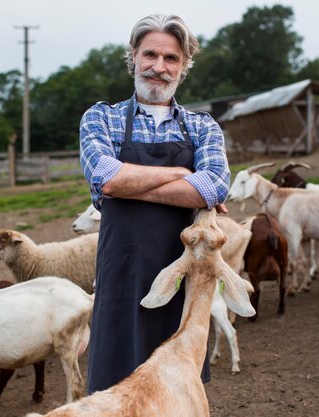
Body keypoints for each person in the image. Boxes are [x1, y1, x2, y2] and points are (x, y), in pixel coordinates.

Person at [79, 13, 231, 393]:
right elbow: (106, 178)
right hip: (122, 279)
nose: (158, 68)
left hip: (182, 282)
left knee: (176, 393)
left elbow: (213, 186)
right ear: (133, 56)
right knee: (115, 394)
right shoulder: (102, 118)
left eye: (171, 59)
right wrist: (182, 175)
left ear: (184, 67)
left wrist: (128, 183)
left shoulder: (202, 126)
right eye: (150, 55)